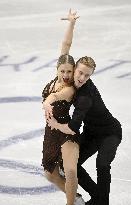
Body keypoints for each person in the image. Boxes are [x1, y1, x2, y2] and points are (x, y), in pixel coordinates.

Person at [46, 56, 122, 205]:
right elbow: (65, 53)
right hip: (91, 133)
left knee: (102, 164)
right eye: (80, 73)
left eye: (87, 75)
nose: (82, 78)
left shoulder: (85, 97)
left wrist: (56, 125)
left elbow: (72, 128)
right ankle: (97, 197)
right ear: (74, 69)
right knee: (69, 164)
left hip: (109, 133)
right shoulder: (71, 80)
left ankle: (102, 202)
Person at [41, 9, 85, 205]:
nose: (67, 75)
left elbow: (56, 96)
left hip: (67, 131)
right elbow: (66, 45)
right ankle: (75, 198)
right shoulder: (60, 71)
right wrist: (71, 24)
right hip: (51, 132)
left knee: (71, 170)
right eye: (63, 71)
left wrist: (47, 101)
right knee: (50, 176)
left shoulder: (70, 88)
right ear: (57, 69)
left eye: (70, 71)